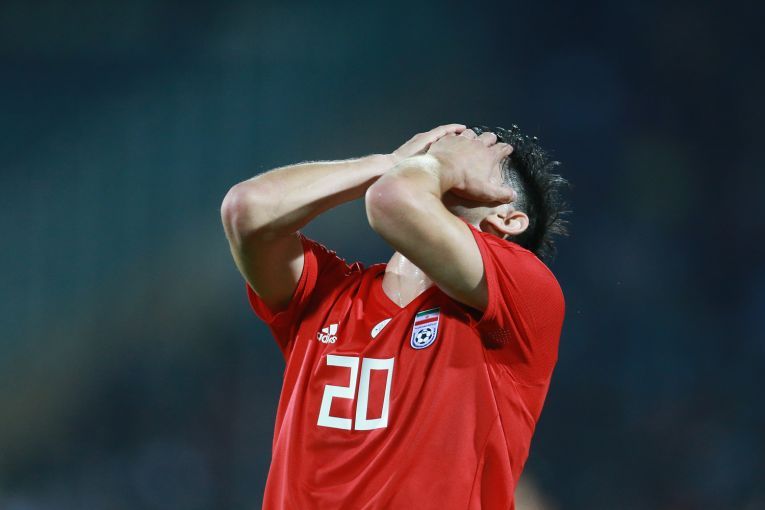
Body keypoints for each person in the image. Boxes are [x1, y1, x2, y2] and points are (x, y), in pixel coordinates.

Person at [221, 123, 568, 509]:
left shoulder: (523, 296)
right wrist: (386, 163)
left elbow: (393, 202)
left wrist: (438, 168)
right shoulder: (326, 295)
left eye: (474, 158)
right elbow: (247, 210)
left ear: (508, 219)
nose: (448, 154)